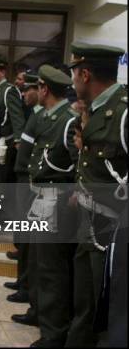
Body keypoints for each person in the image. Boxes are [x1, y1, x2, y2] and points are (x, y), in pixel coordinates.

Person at [66, 42, 127, 348]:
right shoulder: (97, 109)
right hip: (89, 224)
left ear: (85, 74)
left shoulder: (124, 111)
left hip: (112, 232)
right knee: (84, 308)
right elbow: (100, 162)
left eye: (74, 74)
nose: (72, 81)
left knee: (105, 315)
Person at [17, 65, 80, 347]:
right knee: (37, 260)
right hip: (40, 195)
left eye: (38, 86)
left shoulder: (68, 119)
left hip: (56, 197)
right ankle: (38, 311)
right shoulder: (50, 115)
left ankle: (54, 333)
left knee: (52, 267)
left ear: (44, 89)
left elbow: (80, 163)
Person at [6, 71, 41, 313]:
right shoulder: (35, 115)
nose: (24, 93)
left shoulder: (44, 117)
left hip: (32, 183)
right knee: (24, 236)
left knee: (30, 241)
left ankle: (28, 286)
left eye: (28, 89)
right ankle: (23, 282)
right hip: (22, 178)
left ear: (40, 90)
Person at [0, 57, 25, 184]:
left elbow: (17, 118)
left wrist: (18, 141)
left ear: (3, 72)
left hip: (3, 144)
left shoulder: (9, 90)